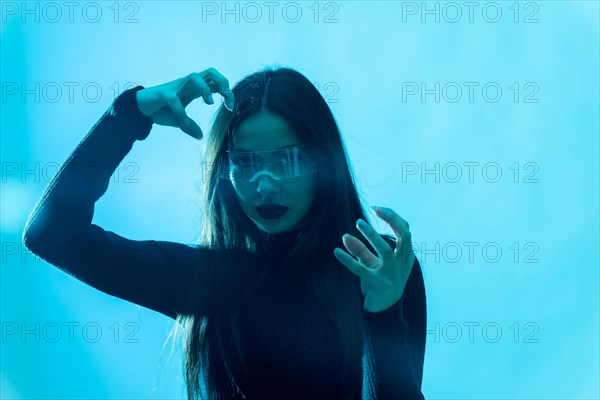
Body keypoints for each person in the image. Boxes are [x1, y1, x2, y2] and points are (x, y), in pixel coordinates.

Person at [22, 66, 427, 399]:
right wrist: (129, 114)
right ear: (224, 172)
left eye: (287, 160)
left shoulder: (379, 268)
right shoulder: (207, 277)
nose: (265, 185)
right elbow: (52, 235)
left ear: (323, 162)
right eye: (245, 163)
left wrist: (383, 313)